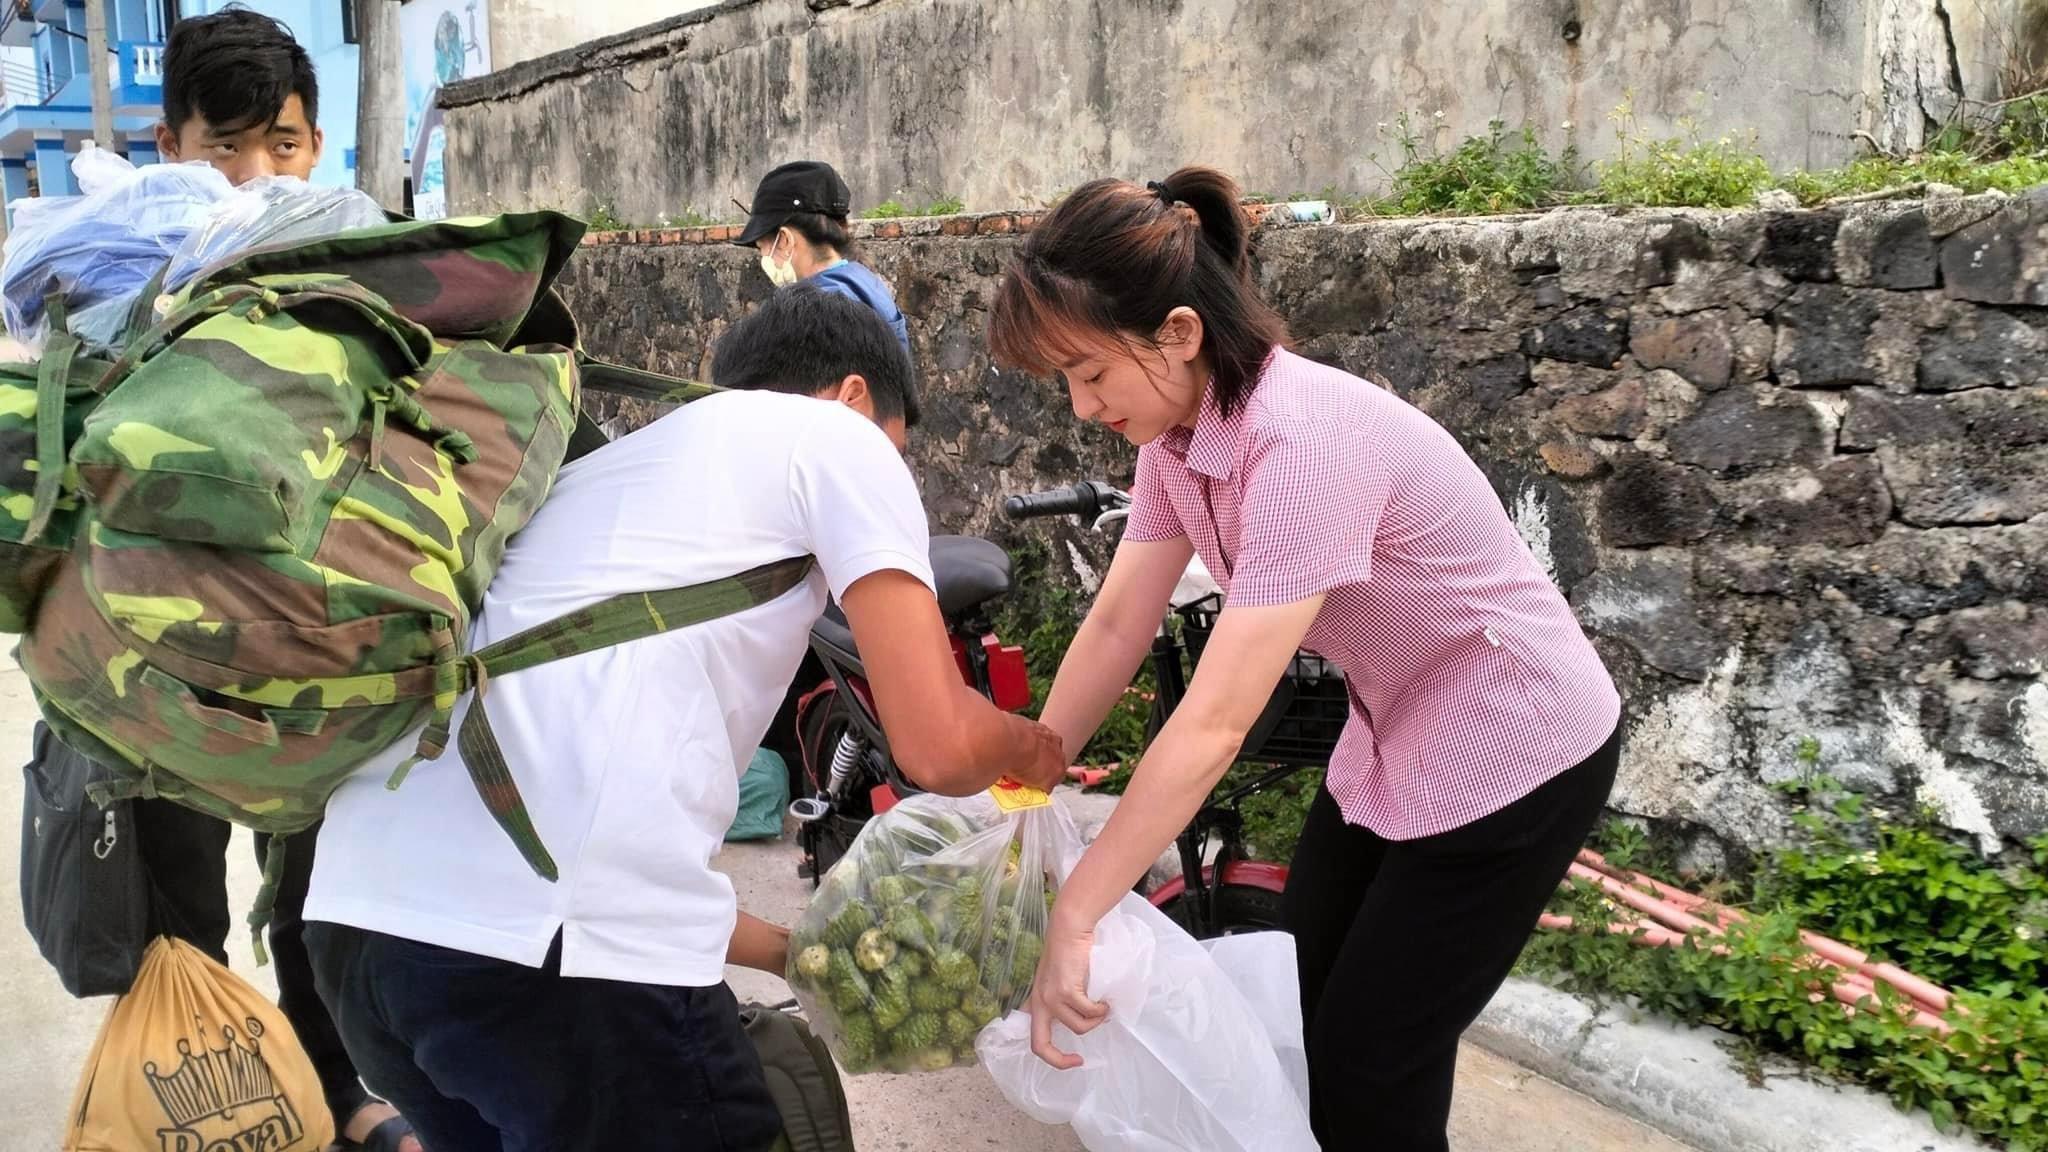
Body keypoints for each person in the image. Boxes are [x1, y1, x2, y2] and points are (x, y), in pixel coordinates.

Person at [302, 283, 1068, 1152]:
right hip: (551, 972)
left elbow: (588, 832)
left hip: (363, 939)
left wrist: (797, 949)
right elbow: (940, 746)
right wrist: (1026, 748)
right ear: (856, 396)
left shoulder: (606, 470)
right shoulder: (836, 440)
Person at [988, 167, 1623, 1151]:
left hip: (1517, 751)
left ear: (1179, 333)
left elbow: (1213, 722)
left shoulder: (1301, 444)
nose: (1079, 408)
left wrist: (1078, 911)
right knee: (1309, 1015)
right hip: (1395, 738)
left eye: (1089, 373)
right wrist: (1031, 774)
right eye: (1063, 383)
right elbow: (1118, 621)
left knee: (1371, 1067)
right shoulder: (1178, 439)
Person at [21, 10, 419, 1151]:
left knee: (319, 898)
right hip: (161, 670)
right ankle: (203, 1102)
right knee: (176, 914)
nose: (254, 176)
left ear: (318, 142)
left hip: (309, 645)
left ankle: (342, 1095)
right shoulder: (110, 269)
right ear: (167, 141)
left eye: (282, 145)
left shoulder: (348, 256)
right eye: (224, 146)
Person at [734, 160, 911, 354]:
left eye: (762, 247)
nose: (764, 257)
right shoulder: (866, 281)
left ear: (785, 240)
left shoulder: (813, 311)